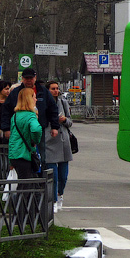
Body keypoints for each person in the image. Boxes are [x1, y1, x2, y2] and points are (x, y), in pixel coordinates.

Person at [0, 67, 59, 148]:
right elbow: (6, 111)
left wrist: (54, 127)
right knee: (21, 152)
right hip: (19, 131)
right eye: (27, 78)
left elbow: (53, 110)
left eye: (31, 78)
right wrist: (6, 129)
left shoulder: (44, 92)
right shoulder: (15, 93)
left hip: (39, 129)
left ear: (35, 78)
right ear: (22, 78)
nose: (29, 80)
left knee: (40, 154)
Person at [44, 80, 74, 213]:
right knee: (53, 176)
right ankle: (53, 201)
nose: (56, 91)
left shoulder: (63, 102)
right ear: (47, 90)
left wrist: (64, 120)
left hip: (63, 141)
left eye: (57, 88)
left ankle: (60, 195)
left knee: (63, 176)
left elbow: (70, 122)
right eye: (53, 89)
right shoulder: (43, 103)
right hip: (49, 140)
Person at [8, 87, 43, 181]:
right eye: (34, 97)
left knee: (19, 182)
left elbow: (12, 137)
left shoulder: (15, 116)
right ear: (29, 99)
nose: (36, 100)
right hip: (25, 154)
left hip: (14, 154)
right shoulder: (30, 115)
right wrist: (35, 141)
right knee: (26, 184)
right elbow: (36, 129)